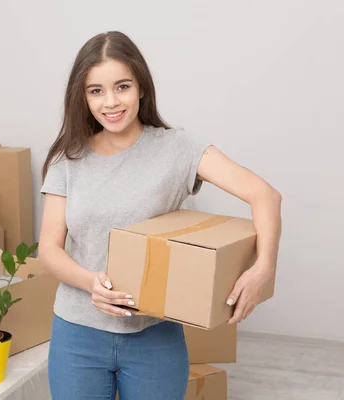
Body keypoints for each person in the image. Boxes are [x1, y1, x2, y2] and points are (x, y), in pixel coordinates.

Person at [38, 31, 282, 399]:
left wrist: (264, 268)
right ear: (82, 96)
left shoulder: (176, 148)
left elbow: (265, 195)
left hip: (154, 336)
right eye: (96, 91)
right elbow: (49, 250)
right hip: (78, 335)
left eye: (122, 86)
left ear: (141, 88)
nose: (111, 102)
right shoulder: (68, 159)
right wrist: (91, 283)